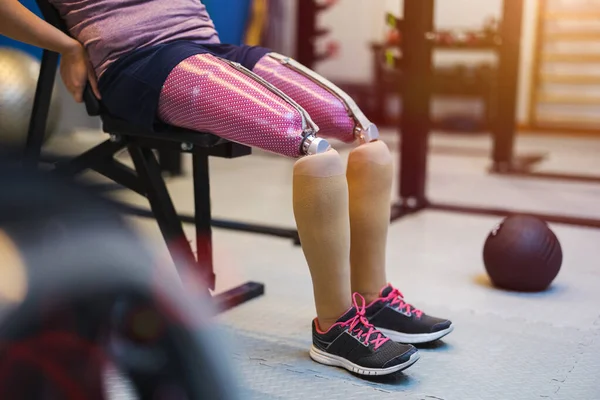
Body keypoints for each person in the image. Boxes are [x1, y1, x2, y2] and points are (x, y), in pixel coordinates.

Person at [0, 0, 453, 377]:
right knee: (313, 147)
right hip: (139, 61)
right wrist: (65, 45)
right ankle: (333, 326)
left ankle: (372, 298)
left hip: (212, 49)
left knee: (364, 134)